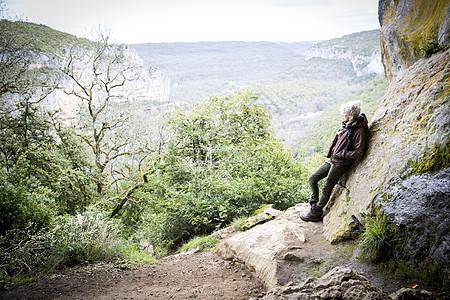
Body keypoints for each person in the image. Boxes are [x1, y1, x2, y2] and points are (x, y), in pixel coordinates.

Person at [301, 100, 368, 222]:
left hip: (340, 163)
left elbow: (359, 152)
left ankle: (316, 212)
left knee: (327, 187)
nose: (343, 115)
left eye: (345, 113)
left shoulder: (358, 130)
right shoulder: (347, 125)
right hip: (333, 159)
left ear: (350, 114)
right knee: (313, 178)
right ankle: (314, 204)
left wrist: (342, 154)